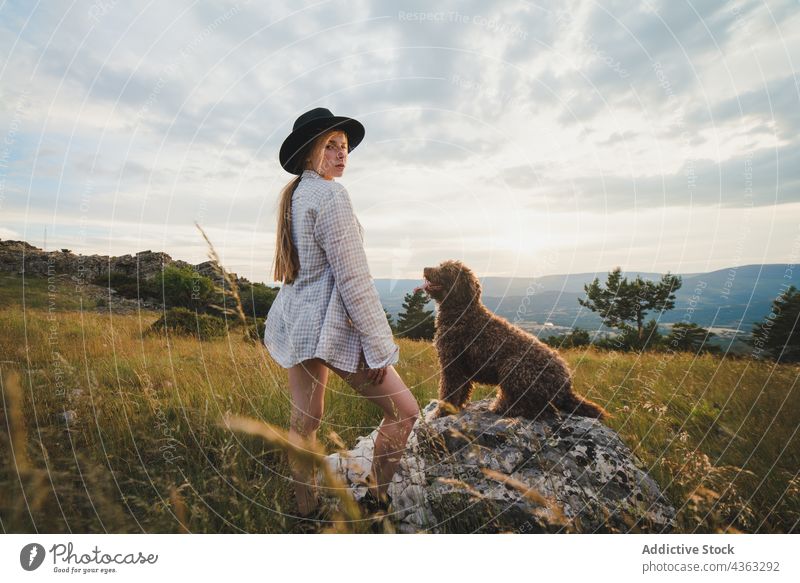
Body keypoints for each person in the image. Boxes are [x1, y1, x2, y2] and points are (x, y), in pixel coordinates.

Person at [263, 108, 420, 526]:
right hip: (327, 324)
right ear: (308, 152)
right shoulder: (331, 196)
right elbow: (353, 279)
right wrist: (379, 345)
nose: (341, 154)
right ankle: (375, 503)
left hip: (298, 323)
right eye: (330, 146)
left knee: (305, 421)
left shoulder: (297, 196)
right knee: (405, 412)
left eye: (344, 147)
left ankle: (305, 510)